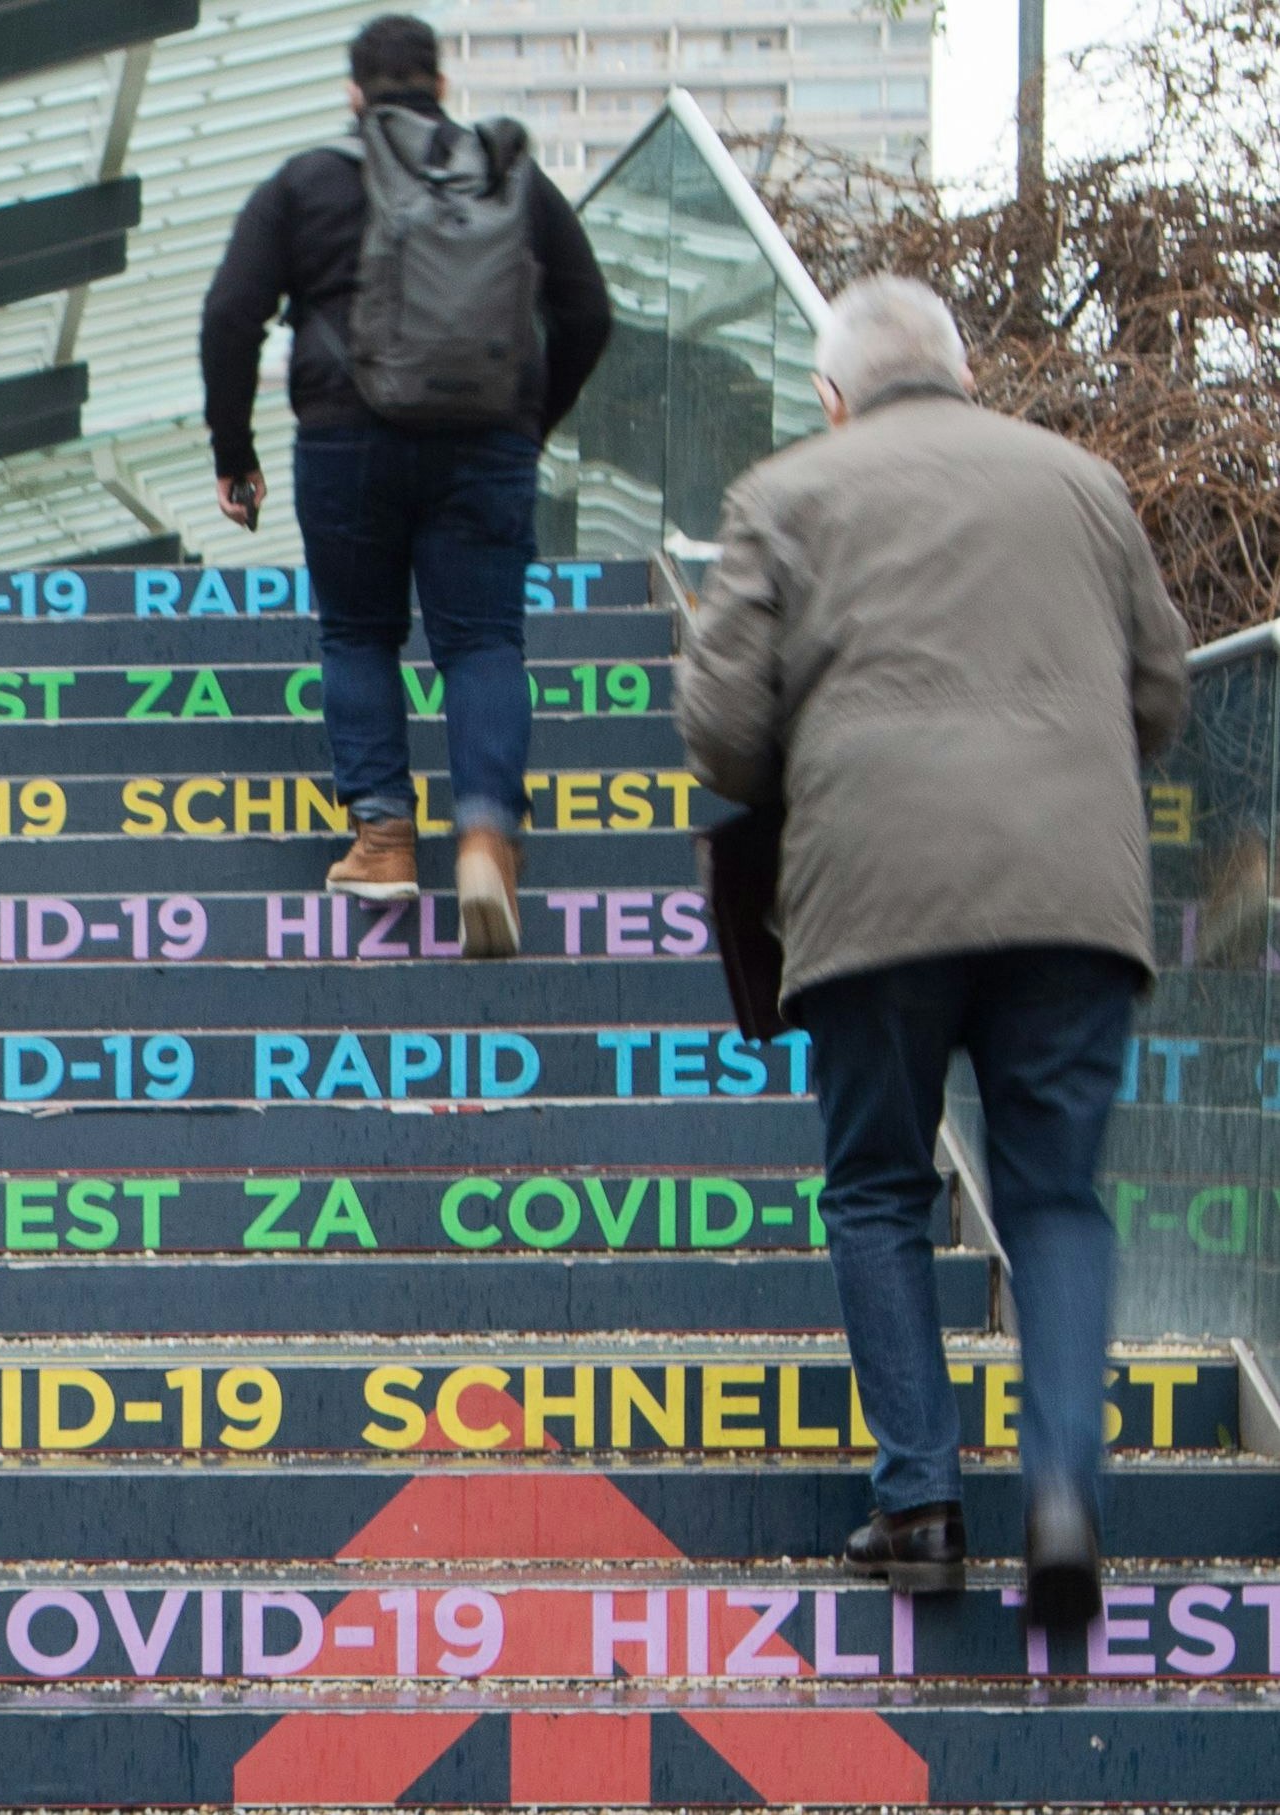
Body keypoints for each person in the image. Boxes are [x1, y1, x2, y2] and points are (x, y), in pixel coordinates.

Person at [676, 276, 1189, 1630]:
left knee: (878, 1190)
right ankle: (1063, 1490)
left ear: (832, 395)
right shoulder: (1080, 480)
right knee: (1057, 1200)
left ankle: (918, 1505)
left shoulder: (786, 492)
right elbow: (1159, 689)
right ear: (961, 374)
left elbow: (723, 731)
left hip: (872, 894)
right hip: (1071, 897)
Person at [200, 13, 612, 955]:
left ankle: (384, 838)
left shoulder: (306, 184)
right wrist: (523, 421)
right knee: (479, 645)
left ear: (355, 93)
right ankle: (482, 841)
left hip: (345, 442)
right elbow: (587, 309)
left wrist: (236, 451)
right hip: (484, 447)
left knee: (357, 631)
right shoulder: (510, 179)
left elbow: (231, 314)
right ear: (440, 83)